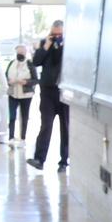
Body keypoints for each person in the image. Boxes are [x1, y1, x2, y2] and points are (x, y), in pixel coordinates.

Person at [28, 20, 70, 171]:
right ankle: (39, 159)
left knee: (65, 127)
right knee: (46, 125)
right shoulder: (44, 43)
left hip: (64, 91)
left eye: (59, 34)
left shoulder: (70, 45)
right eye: (54, 34)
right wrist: (46, 46)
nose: (56, 37)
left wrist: (62, 44)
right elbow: (36, 62)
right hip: (47, 91)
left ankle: (64, 161)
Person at [6, 44, 35, 146]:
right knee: (12, 116)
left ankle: (23, 138)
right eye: (18, 53)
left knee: (24, 116)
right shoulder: (11, 64)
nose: (20, 55)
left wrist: (26, 82)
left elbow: (36, 80)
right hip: (13, 93)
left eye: (22, 53)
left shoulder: (30, 64)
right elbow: (5, 77)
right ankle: (11, 137)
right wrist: (10, 81)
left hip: (26, 95)